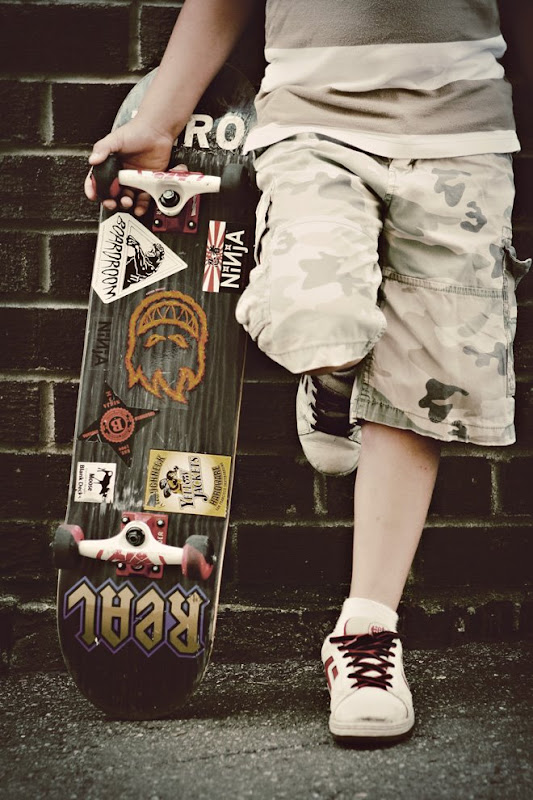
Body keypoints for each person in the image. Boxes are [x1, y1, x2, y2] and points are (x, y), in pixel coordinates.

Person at [85, 0, 531, 744]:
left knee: (423, 388)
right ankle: (334, 381)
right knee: (313, 310)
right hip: (312, 127)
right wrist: (160, 120)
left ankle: (366, 633)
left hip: (464, 135)